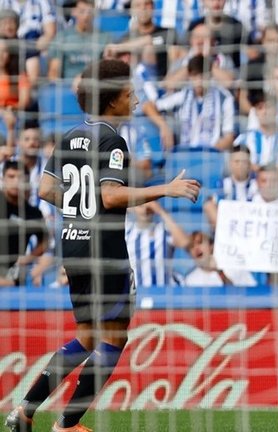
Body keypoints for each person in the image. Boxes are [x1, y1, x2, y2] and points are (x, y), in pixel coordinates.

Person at [5, 59, 200, 432]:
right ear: (112, 102)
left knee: (86, 336)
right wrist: (167, 188)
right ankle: (67, 425)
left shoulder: (69, 136)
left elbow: (46, 190)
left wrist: (81, 209)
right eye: (130, 94)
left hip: (73, 245)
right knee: (114, 337)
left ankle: (24, 413)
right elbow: (111, 196)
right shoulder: (112, 139)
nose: (138, 99)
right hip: (103, 252)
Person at [0, 161, 48, 286]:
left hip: (12, 278)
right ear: (2, 179)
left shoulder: (32, 213)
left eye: (20, 178)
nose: (16, 181)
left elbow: (45, 241)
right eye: (11, 176)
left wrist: (27, 259)